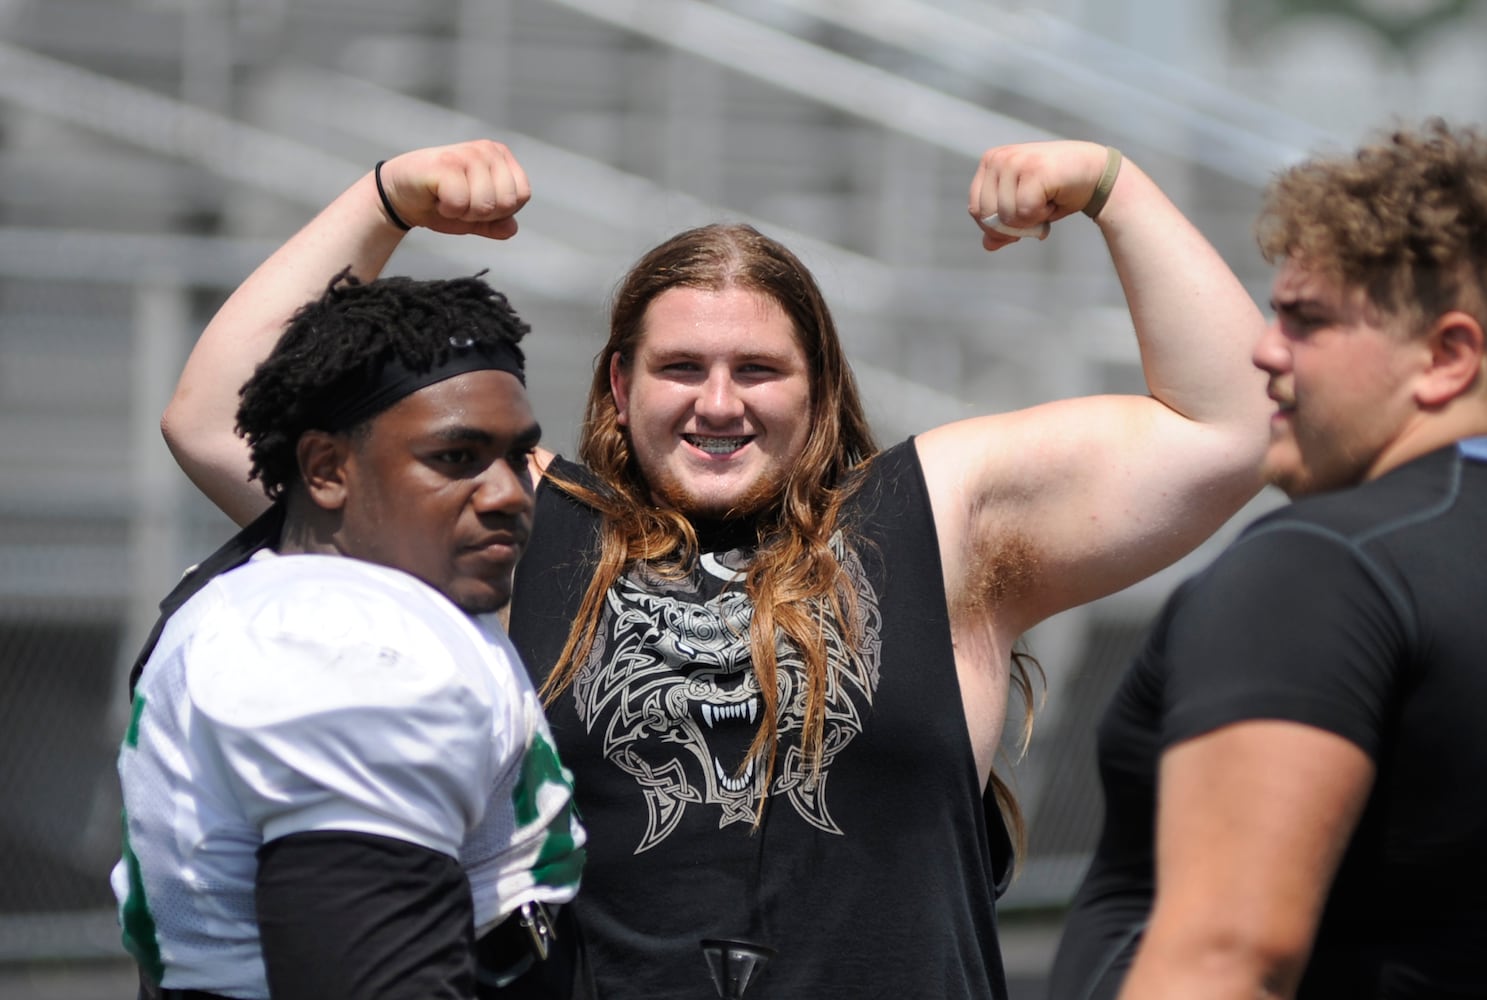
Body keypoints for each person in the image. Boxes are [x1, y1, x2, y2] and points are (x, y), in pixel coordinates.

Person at [159, 137, 1271, 998]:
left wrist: (1113, 191)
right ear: (617, 385)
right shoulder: (518, 519)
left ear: (820, 388)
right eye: (679, 365)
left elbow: (1225, 426)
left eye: (758, 368)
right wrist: (383, 201)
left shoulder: (938, 518)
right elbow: (221, 422)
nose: (718, 402)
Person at [1047, 118, 1487, 1000]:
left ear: (1445, 358)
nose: (1263, 348)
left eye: (1306, 321)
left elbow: (1224, 960)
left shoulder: (1320, 566)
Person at [113, 272, 587, 1000]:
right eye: (455, 459)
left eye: (516, 456)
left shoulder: (302, 592)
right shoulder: (348, 646)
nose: (508, 495)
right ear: (327, 469)